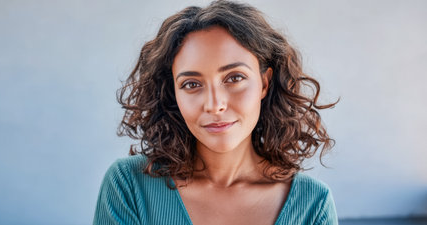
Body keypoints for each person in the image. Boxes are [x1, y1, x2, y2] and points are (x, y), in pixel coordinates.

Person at [93, 0, 339, 224]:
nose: (214, 104)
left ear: (264, 83)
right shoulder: (129, 186)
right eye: (191, 84)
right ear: (173, 93)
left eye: (234, 78)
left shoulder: (312, 205)